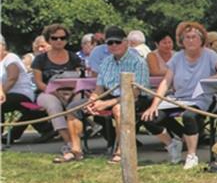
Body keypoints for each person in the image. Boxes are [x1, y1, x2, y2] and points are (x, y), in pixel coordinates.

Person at [141, 22, 217, 170]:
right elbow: (166, 82)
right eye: (187, 37)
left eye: (194, 37)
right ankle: (172, 144)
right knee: (149, 118)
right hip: (179, 98)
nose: (191, 40)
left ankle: (191, 155)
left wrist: (209, 80)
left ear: (201, 40)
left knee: (189, 116)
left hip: (202, 98)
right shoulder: (177, 58)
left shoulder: (209, 54)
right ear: (182, 40)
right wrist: (154, 105)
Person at [64, 26, 152, 164]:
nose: (114, 45)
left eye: (118, 42)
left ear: (126, 42)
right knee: (73, 108)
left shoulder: (138, 62)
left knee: (119, 109)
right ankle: (75, 150)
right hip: (109, 95)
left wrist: (106, 103)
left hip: (135, 99)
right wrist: (93, 100)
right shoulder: (106, 62)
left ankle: (122, 150)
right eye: (110, 43)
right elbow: (99, 88)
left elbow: (135, 93)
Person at [31, 24, 86, 158]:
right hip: (47, 92)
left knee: (77, 104)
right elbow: (39, 82)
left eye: (62, 38)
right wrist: (55, 92)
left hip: (73, 91)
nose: (59, 41)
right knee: (53, 105)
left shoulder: (74, 58)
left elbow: (82, 77)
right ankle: (70, 143)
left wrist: (72, 92)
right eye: (54, 38)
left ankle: (76, 143)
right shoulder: (40, 59)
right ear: (48, 39)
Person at [1, 35, 45, 144]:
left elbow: (12, 78)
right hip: (7, 94)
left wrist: (1, 93)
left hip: (21, 94)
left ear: (3, 46)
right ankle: (45, 128)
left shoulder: (11, 58)